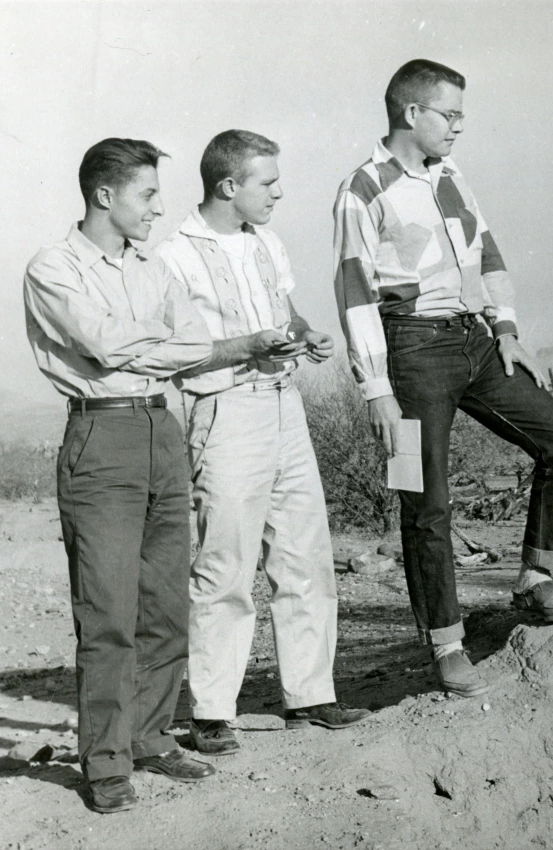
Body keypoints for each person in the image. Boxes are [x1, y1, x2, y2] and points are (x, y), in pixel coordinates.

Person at [23, 138, 266, 813]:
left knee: (164, 604)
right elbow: (102, 344)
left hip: (164, 429)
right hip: (101, 435)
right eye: (149, 194)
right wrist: (159, 343)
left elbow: (187, 347)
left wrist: (156, 345)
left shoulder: (154, 268)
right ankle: (105, 763)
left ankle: (151, 736)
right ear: (105, 195)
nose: (160, 208)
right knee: (107, 613)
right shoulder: (52, 268)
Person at [332, 60, 553, 699]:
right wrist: (376, 389)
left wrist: (505, 327)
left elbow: (487, 249)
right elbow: (354, 292)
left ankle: (538, 577)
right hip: (410, 351)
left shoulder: (451, 177)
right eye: (450, 115)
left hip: (473, 340)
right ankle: (445, 643)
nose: (459, 127)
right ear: (411, 112)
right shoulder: (362, 190)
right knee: (425, 501)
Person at [157, 130, 370, 757]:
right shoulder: (174, 256)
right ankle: (212, 710)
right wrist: (247, 347)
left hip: (285, 406)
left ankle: (311, 694)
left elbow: (286, 309)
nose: (278, 192)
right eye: (266, 182)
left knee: (305, 553)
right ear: (229, 187)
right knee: (225, 561)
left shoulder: (267, 243)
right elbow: (176, 352)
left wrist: (306, 333)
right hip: (222, 413)